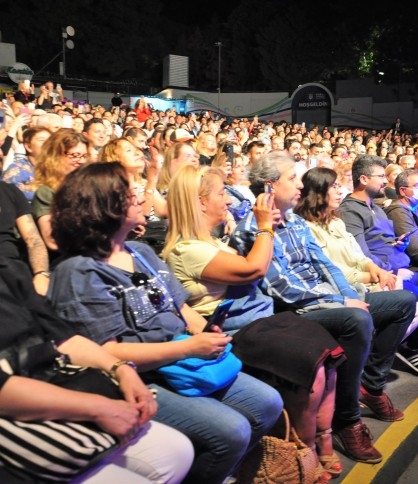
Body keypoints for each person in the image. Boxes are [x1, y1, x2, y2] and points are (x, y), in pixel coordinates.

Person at [46, 162, 284, 484]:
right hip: (138, 377)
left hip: (181, 357)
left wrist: (204, 330)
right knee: (231, 431)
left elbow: (181, 307)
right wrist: (187, 347)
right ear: (103, 208)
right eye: (131, 195)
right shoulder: (78, 272)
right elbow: (106, 354)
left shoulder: (140, 250)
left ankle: (222, 469)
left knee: (268, 403)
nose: (142, 200)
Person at [230, 151, 417, 465]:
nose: (301, 186)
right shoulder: (254, 227)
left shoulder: (295, 221)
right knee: (356, 318)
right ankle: (348, 420)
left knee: (403, 302)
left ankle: (369, 384)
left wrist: (347, 295)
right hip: (294, 311)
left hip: (328, 299)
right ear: (270, 186)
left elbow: (326, 266)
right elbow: (283, 290)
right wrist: (344, 302)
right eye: (293, 179)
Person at [162, 164, 343, 481]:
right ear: (200, 201)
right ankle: (305, 453)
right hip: (236, 331)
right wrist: (263, 227)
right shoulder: (186, 249)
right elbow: (253, 270)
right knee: (308, 367)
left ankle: (323, 439)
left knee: (329, 356)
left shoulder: (212, 241)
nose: (229, 201)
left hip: (260, 319)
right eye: (221, 194)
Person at [0, 258, 193, 484]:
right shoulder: (77, 269)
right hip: (14, 407)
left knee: (176, 451)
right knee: (227, 432)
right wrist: (97, 408)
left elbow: (65, 339)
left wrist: (122, 371)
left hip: (45, 379)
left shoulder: (8, 269)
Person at [338, 155, 418, 371]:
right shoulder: (350, 210)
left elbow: (386, 242)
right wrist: (391, 266)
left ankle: (410, 344)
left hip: (400, 265)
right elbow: (361, 254)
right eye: (380, 176)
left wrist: (398, 245)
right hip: (385, 272)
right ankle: (395, 354)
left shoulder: (376, 209)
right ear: (363, 179)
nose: (386, 182)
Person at [295, 166, 418, 348]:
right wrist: (373, 276)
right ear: (317, 192)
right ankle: (371, 360)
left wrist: (377, 270)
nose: (340, 190)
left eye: (339, 185)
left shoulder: (336, 221)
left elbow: (359, 256)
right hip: (343, 288)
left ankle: (374, 356)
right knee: (412, 306)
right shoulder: (307, 228)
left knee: (416, 306)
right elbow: (332, 272)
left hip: (363, 282)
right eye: (333, 186)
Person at [31, 128, 89, 259]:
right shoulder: (46, 193)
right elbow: (53, 241)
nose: (81, 161)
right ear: (55, 157)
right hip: (62, 263)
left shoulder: (87, 190)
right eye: (74, 155)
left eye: (84, 156)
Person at [2, 126, 50, 201]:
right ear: (28, 146)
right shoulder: (17, 169)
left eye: (50, 140)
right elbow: (10, 194)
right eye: (42, 140)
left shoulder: (55, 168)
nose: (48, 144)